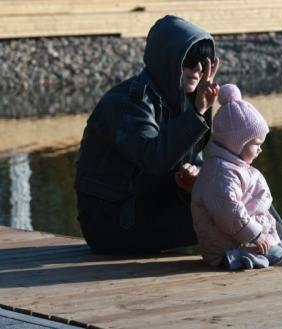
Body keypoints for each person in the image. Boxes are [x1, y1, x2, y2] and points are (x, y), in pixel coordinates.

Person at [74, 15, 220, 254]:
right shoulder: (129, 102)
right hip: (112, 221)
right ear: (168, 59)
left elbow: (193, 162)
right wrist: (198, 111)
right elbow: (155, 159)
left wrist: (197, 175)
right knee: (226, 207)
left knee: (239, 187)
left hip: (145, 206)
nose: (197, 70)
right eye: (190, 61)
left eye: (204, 62)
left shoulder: (178, 101)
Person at [191, 84, 282, 272]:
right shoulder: (220, 173)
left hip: (239, 240)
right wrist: (254, 235)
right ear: (237, 143)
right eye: (256, 144)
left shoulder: (233, 168)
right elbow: (229, 210)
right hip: (226, 249)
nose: (260, 149)